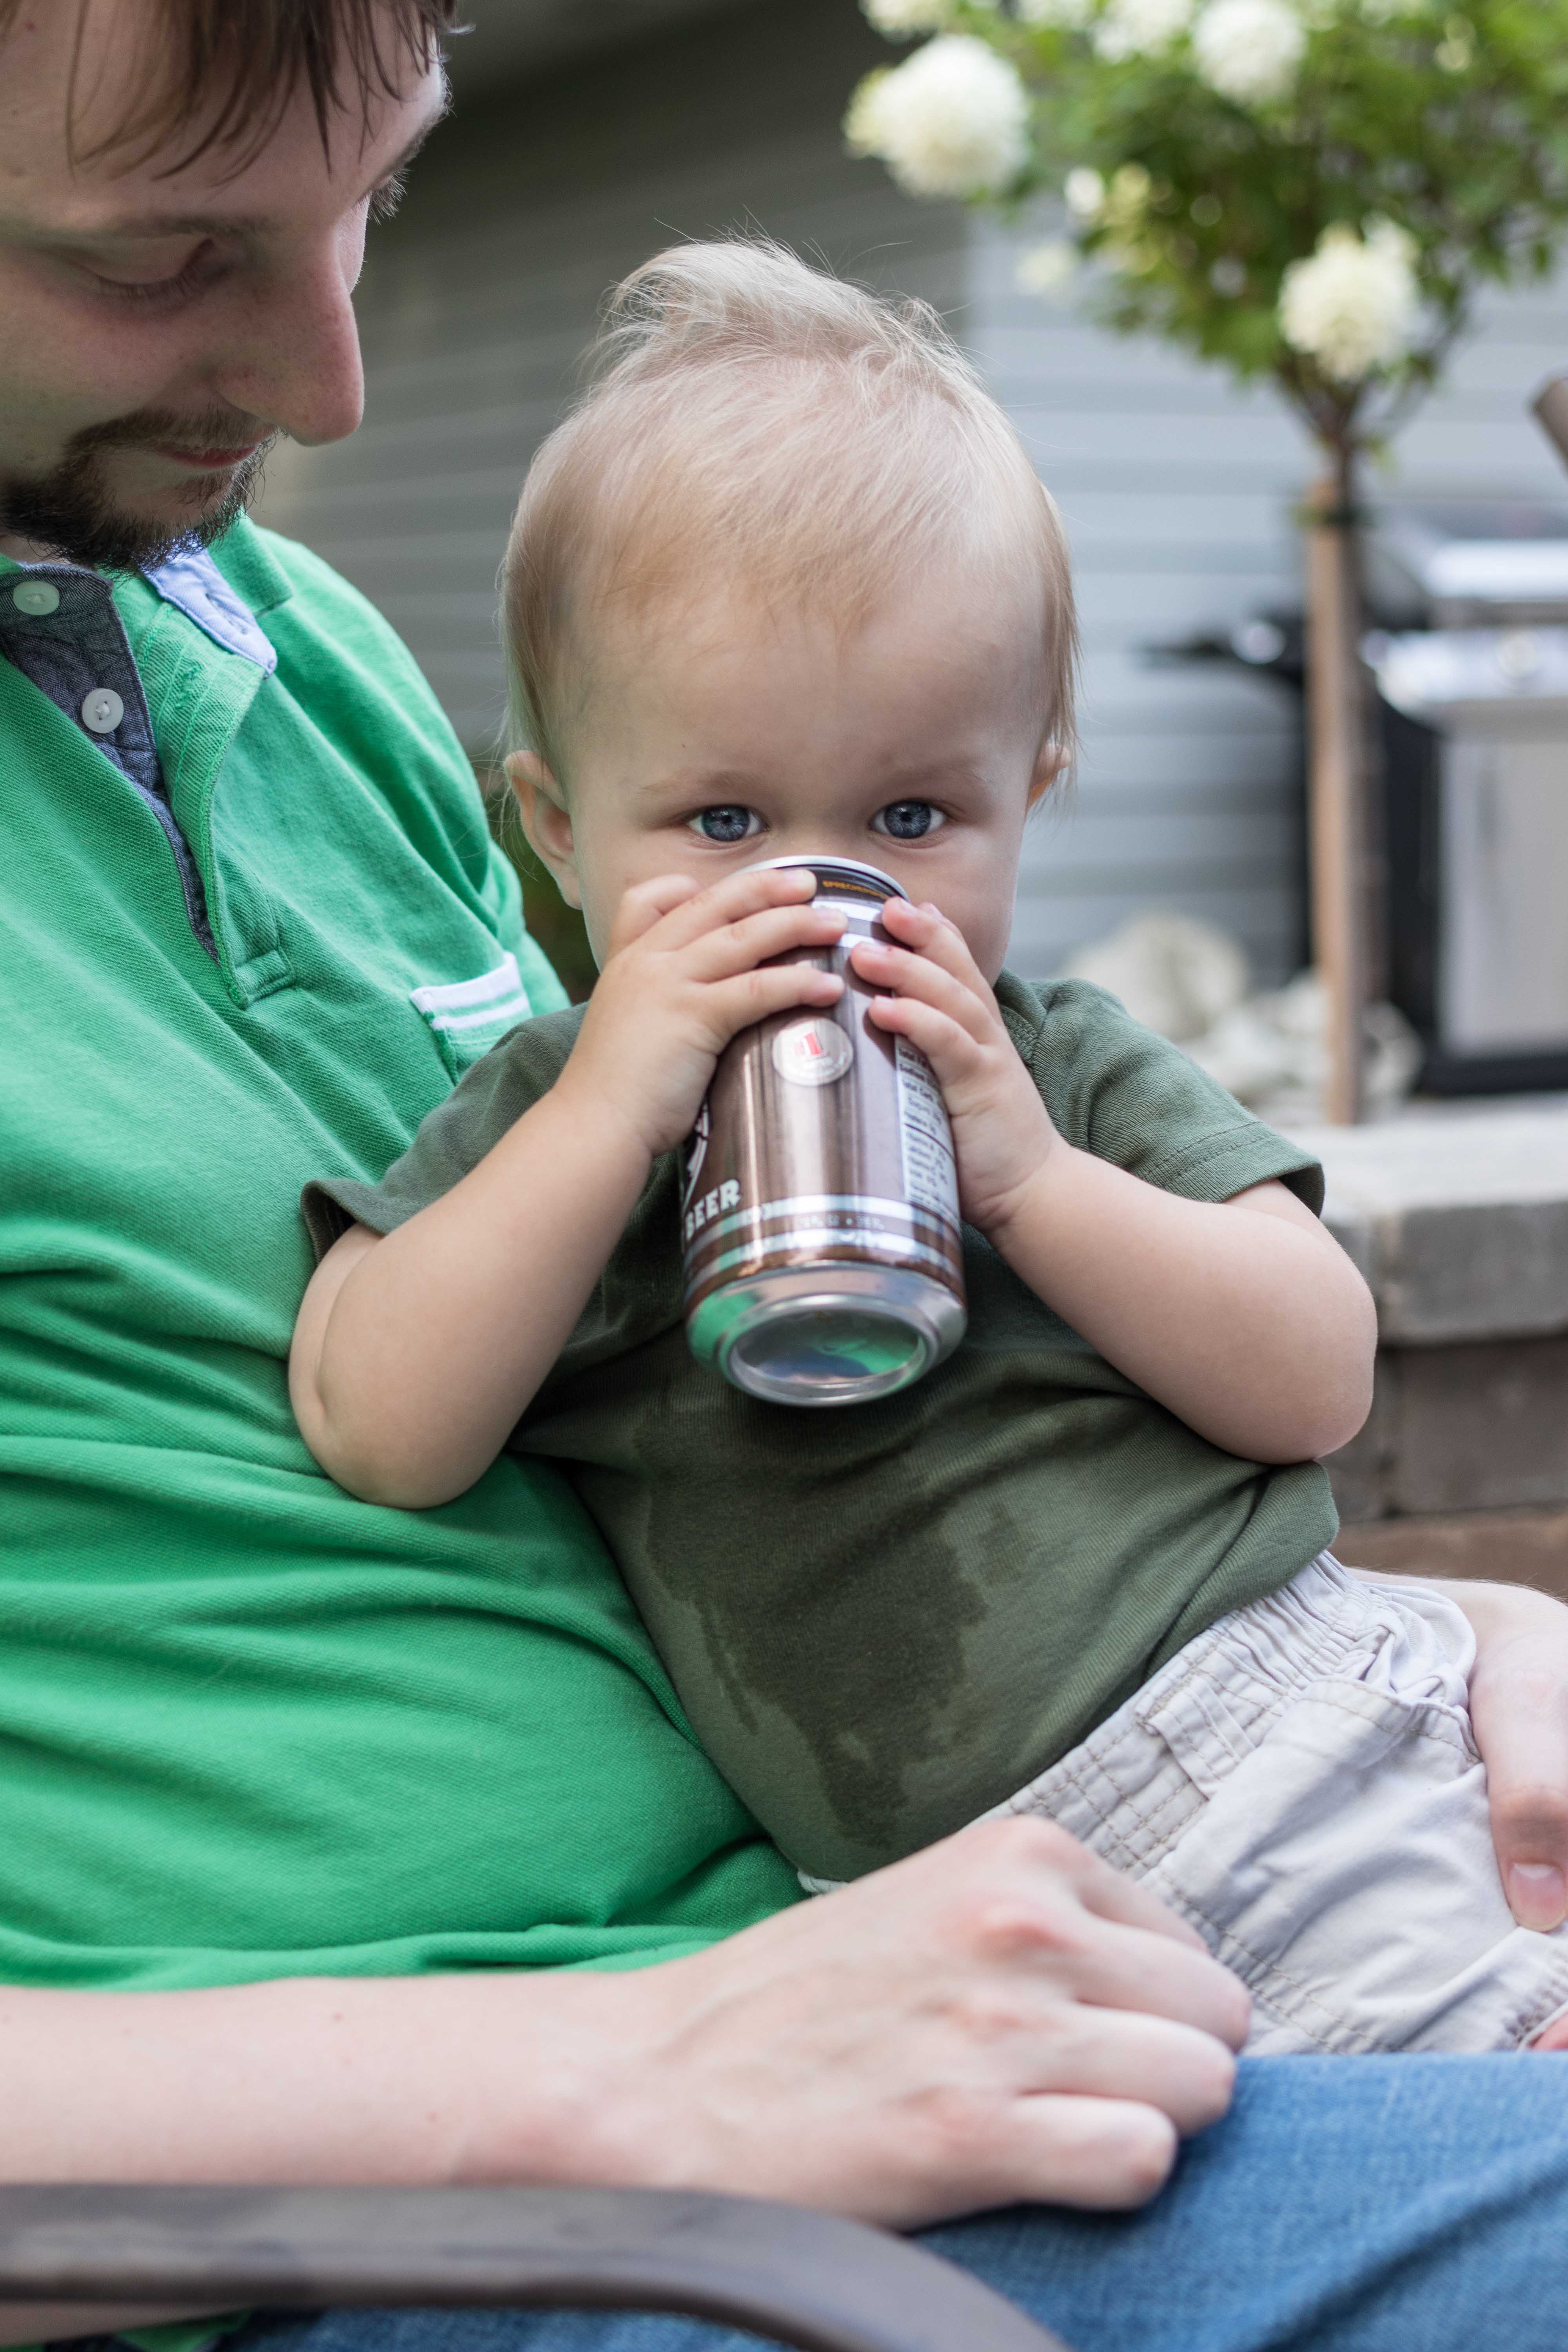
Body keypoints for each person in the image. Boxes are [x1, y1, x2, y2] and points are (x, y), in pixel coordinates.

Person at [3, 2, 1568, 2347]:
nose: (327, 386)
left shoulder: (271, 634)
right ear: (581, 817)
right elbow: (383, 1396)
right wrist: (610, 2071)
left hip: (974, 1945)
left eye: (373, 204)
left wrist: (1463, 1645)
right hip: (467, 2202)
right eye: (158, 258)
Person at [292, 238, 1568, 2060]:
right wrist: (605, 1115)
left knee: (1512, 2091)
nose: (824, 889)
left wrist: (1033, 1180)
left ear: (1033, 784)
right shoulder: (552, 1118)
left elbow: (1315, 1376)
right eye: (721, 818)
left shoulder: (1047, 1065)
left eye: (913, 814)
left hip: (1281, 1743)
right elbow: (374, 1417)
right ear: (559, 829)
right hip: (949, 1901)